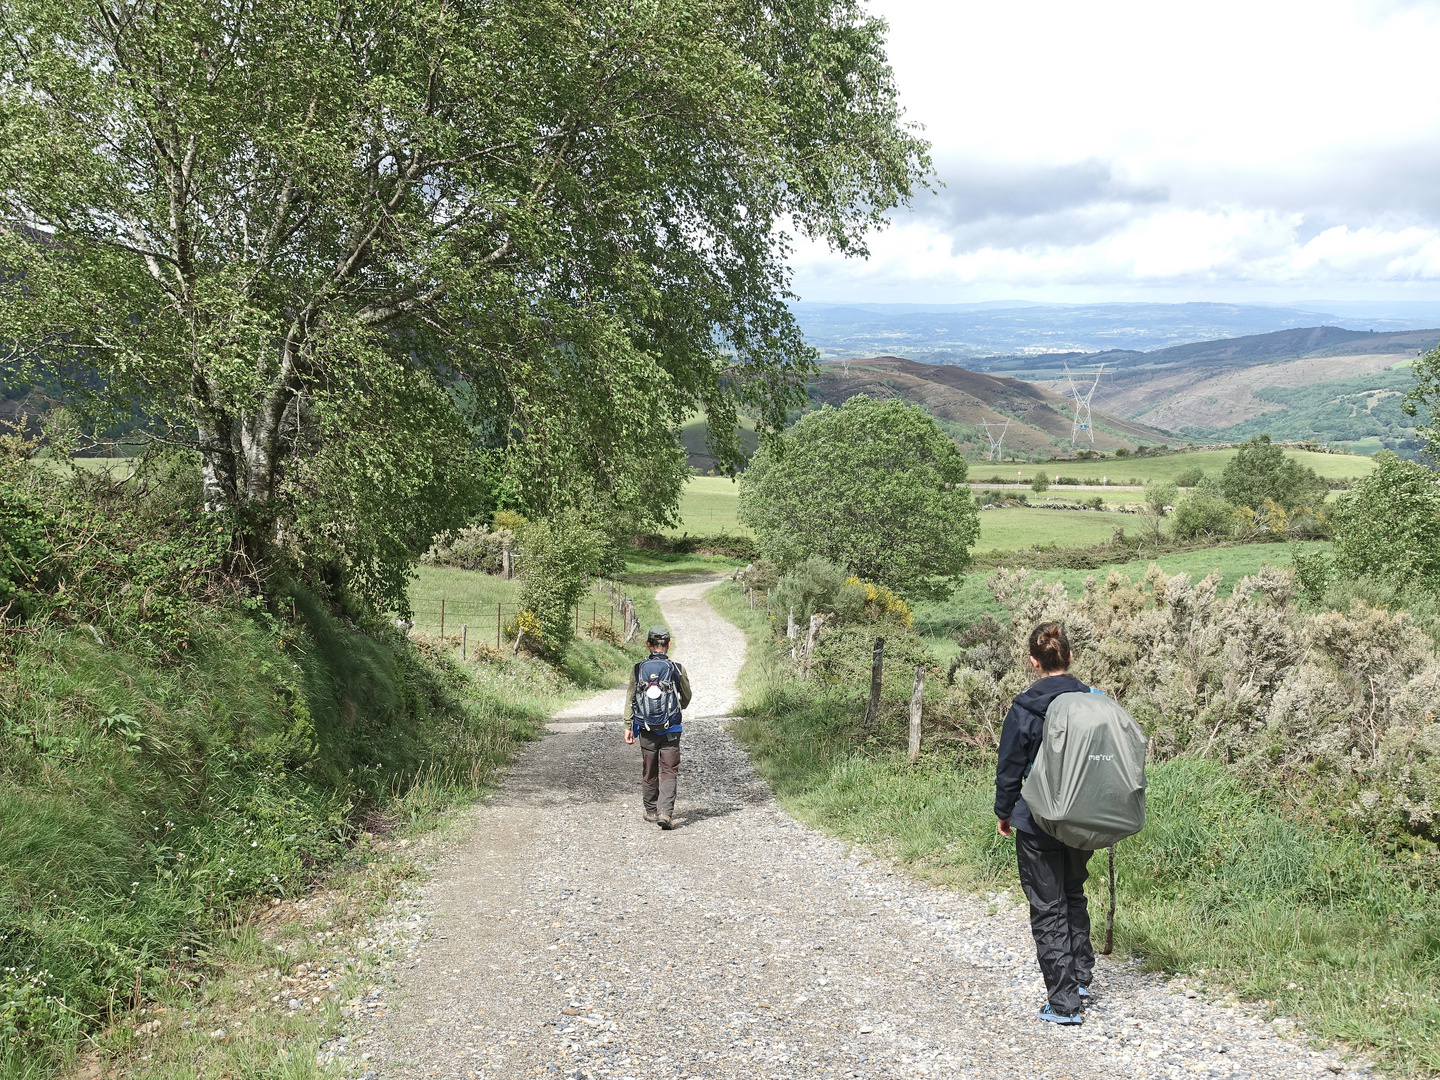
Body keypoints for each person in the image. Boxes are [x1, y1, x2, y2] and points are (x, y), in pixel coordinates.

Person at [994, 621, 1095, 1026]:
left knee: (1047, 905)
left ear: (1034, 662)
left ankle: (1065, 1004)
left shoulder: (1025, 707)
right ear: (1069, 656)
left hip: (1037, 820)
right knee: (1073, 893)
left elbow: (1010, 767)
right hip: (1084, 817)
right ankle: (1081, 977)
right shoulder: (1093, 701)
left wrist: (1005, 811)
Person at [623, 625, 692, 829]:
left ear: (648, 644)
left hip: (646, 729)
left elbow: (631, 698)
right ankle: (665, 813)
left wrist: (628, 725)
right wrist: (679, 707)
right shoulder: (677, 668)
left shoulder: (638, 669)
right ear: (669, 645)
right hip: (671, 729)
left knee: (649, 768)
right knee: (669, 770)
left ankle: (651, 810)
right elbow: (686, 696)